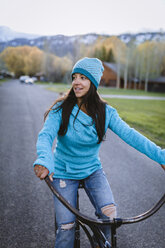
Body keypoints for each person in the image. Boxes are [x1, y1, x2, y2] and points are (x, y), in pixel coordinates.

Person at [33, 57, 165, 248]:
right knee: (66, 227)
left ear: (93, 83)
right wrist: (44, 160)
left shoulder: (106, 112)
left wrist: (161, 156)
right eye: (75, 77)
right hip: (63, 171)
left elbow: (131, 135)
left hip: (92, 170)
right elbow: (45, 136)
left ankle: (101, 244)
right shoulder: (60, 109)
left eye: (83, 78)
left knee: (109, 215)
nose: (77, 82)